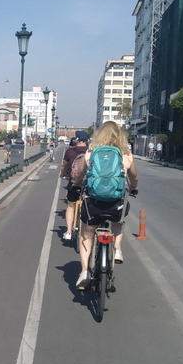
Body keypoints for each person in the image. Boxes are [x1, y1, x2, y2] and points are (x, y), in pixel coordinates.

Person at [73, 121, 139, 291]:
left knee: (86, 235)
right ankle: (117, 249)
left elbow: (80, 175)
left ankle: (85, 271)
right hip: (115, 203)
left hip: (93, 203)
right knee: (118, 221)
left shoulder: (91, 153)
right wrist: (134, 188)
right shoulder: (126, 154)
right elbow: (134, 178)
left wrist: (76, 184)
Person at [60, 130, 89, 241]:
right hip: (88, 184)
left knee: (71, 206)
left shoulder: (70, 152)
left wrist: (62, 174)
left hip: (74, 183)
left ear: (76, 139)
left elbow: (64, 166)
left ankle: (68, 231)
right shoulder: (92, 152)